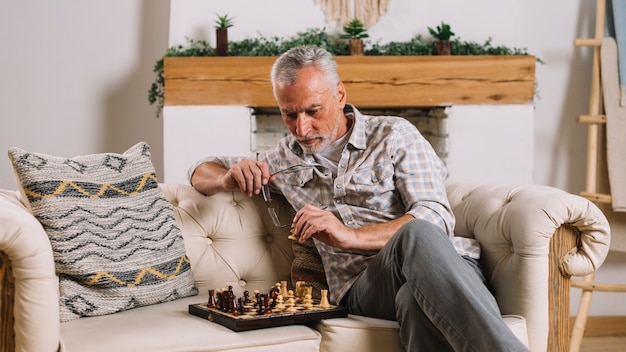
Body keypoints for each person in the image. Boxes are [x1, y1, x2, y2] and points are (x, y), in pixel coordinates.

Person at [188, 45, 528, 351]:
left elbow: (436, 217)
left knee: (412, 294)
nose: (301, 129)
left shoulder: (395, 134)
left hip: (448, 265)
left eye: (312, 111)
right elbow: (200, 170)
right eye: (289, 115)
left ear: (339, 94)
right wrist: (226, 177)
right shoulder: (283, 158)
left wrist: (349, 236)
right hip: (364, 287)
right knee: (413, 245)